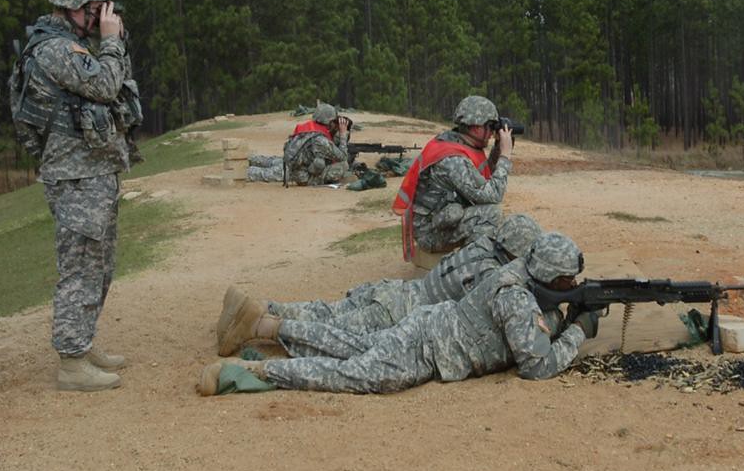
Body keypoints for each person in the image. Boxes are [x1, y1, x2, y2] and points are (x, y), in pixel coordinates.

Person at [199, 232, 600, 395]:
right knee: (354, 374)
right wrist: (578, 330)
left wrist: (564, 313)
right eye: (567, 279)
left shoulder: (516, 272)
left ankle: (267, 324)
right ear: (548, 274)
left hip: (426, 325)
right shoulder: (516, 297)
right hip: (427, 349)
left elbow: (535, 323)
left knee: (349, 343)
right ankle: (252, 372)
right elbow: (536, 366)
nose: (571, 283)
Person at [8, 0, 142, 391]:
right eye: (97, 9)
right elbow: (105, 86)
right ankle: (71, 362)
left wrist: (112, 42)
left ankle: (82, 344)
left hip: (91, 171)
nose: (103, 17)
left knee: (99, 266)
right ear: (75, 7)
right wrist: (111, 42)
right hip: (76, 176)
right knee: (80, 267)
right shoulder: (56, 50)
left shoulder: (72, 45)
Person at [214, 214, 544, 354]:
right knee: (332, 333)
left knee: (327, 312)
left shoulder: (481, 246)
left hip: (395, 292)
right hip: (398, 312)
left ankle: (260, 307)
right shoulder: (492, 273)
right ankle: (257, 326)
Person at [392, 95, 513, 261]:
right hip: (429, 233)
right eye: (491, 126)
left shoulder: (456, 142)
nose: (492, 132)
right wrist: (505, 156)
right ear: (476, 128)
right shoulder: (453, 159)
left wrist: (498, 149)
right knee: (491, 214)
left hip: (440, 220)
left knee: (485, 212)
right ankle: (471, 266)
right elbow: (493, 194)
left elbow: (482, 178)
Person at [280, 102, 351, 186]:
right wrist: (343, 135)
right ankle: (314, 181)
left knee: (320, 161)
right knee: (344, 165)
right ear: (328, 121)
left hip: (297, 171)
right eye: (333, 121)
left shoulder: (309, 130)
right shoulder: (320, 140)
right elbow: (342, 156)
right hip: (305, 178)